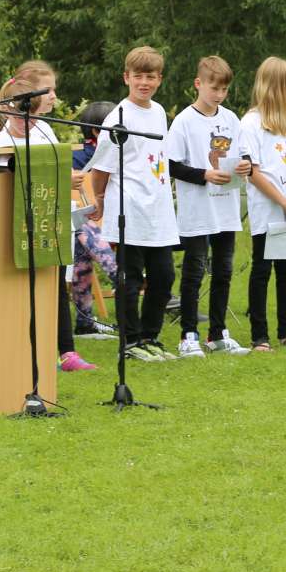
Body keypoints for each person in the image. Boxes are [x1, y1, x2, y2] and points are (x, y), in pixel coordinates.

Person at [0, 61, 96, 373]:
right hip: (14, 227)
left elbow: (52, 171)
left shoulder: (43, 130)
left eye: (31, 115)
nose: (28, 122)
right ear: (7, 110)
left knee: (56, 285)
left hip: (47, 221)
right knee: (19, 290)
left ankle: (66, 351)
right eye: (23, 116)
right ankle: (17, 348)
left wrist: (67, 177)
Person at [86, 46, 180, 363]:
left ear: (159, 80)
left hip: (158, 209)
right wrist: (97, 201)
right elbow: (102, 167)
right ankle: (131, 339)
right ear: (126, 78)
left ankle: (151, 336)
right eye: (138, 76)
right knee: (130, 277)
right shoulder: (119, 117)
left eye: (150, 77)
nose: (144, 82)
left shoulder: (158, 112)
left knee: (164, 276)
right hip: (128, 207)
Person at [164, 56, 253, 357]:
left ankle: (218, 333)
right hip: (198, 210)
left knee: (224, 270)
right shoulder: (184, 121)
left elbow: (244, 156)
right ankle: (188, 334)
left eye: (224, 90)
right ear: (198, 84)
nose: (219, 95)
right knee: (194, 271)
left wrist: (245, 166)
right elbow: (171, 165)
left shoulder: (231, 119)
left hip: (225, 208)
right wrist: (204, 175)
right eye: (214, 88)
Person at [239, 57, 286, 351]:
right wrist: (285, 204)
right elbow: (253, 171)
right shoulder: (251, 123)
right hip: (267, 209)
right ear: (278, 87)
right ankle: (260, 335)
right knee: (262, 269)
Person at [69, 101, 120, 342]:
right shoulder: (78, 159)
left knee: (82, 239)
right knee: (82, 232)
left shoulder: (123, 155)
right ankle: (119, 275)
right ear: (97, 132)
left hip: (115, 223)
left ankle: (85, 322)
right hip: (87, 223)